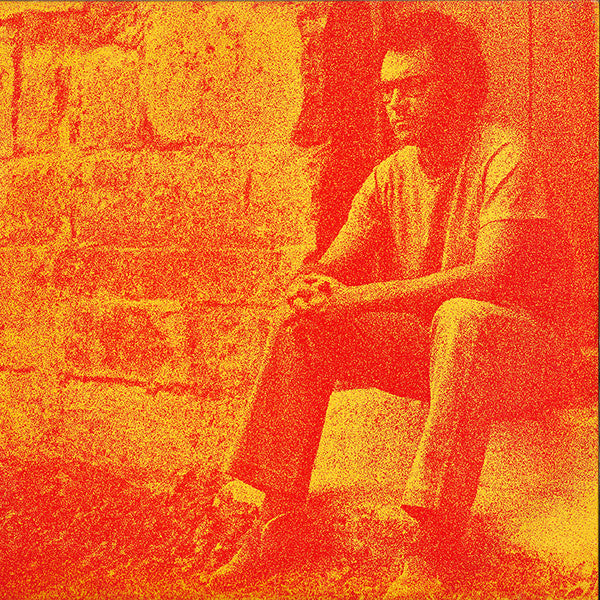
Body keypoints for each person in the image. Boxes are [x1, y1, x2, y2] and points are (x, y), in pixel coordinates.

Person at [206, 10, 574, 599]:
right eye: (386, 90)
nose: (394, 104)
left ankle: (435, 542)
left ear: (458, 89)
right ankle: (278, 519)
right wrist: (311, 286)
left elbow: (490, 277)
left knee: (462, 316)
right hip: (435, 357)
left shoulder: (505, 156)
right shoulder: (390, 175)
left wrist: (358, 297)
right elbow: (335, 262)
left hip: (523, 361)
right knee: (304, 323)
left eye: (412, 87)